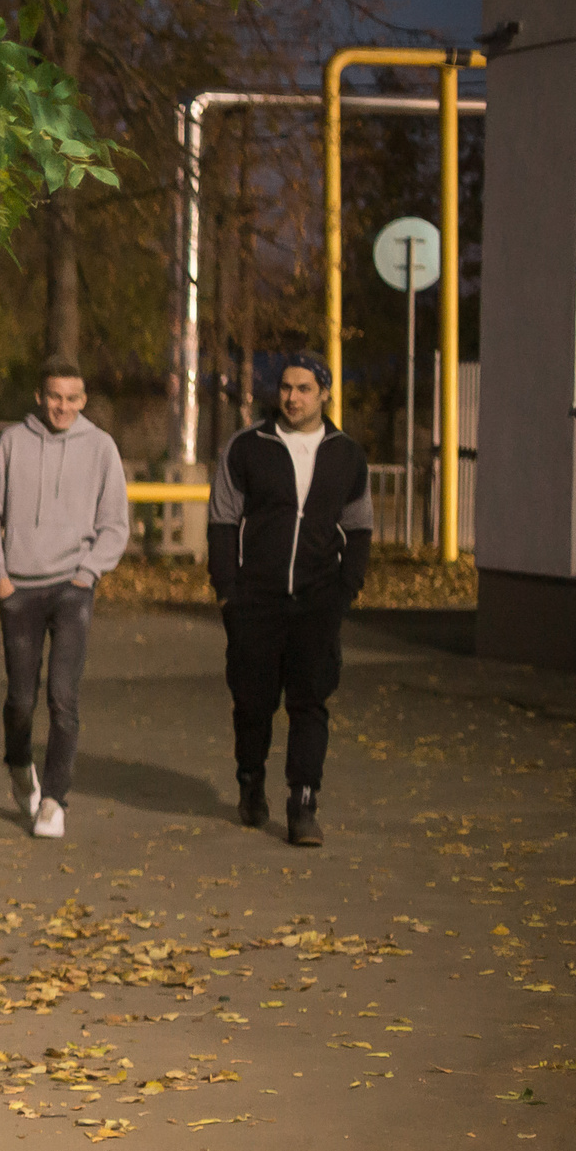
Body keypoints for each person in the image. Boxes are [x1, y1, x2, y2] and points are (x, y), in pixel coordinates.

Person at [207, 351, 372, 846]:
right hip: (256, 599)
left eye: (303, 388)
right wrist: (228, 593)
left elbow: (359, 527)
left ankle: (303, 802)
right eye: (285, 387)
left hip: (318, 601)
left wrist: (345, 591)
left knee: (310, 701)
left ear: (324, 394)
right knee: (253, 702)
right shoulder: (247, 447)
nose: (292, 397)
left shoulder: (346, 455)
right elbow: (222, 520)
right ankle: (250, 782)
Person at [0, 356, 130, 839]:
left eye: (72, 398)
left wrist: (88, 573)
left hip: (72, 588)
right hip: (18, 587)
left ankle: (55, 800)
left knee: (64, 697)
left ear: (82, 400)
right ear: (40, 398)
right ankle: (20, 766)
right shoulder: (13, 442)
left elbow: (115, 525)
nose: (62, 406)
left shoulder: (101, 447)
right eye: (54, 397)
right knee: (21, 699)